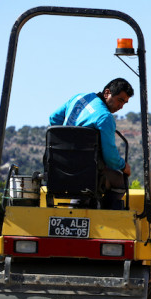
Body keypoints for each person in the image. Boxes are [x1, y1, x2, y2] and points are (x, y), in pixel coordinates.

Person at [49, 78, 134, 208]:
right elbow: (111, 158)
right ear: (107, 93)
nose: (121, 107)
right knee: (121, 181)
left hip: (59, 170)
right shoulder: (105, 117)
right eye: (120, 100)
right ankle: (103, 216)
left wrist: (66, 138)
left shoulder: (79, 98)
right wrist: (123, 166)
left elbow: (54, 118)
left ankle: (78, 204)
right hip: (88, 175)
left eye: (124, 103)